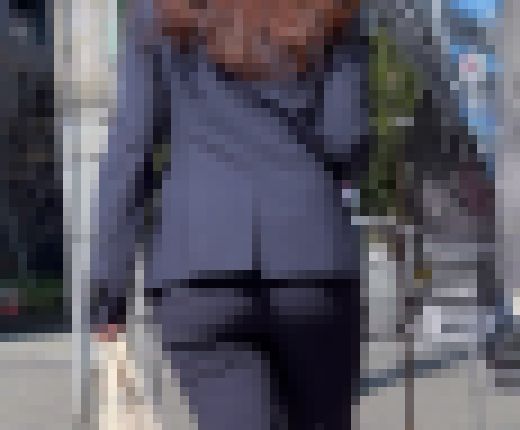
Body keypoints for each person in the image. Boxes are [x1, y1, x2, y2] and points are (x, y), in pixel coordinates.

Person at [91, 1, 494, 428]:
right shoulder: (333, 10)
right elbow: (345, 139)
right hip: (310, 259)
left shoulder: (158, 13)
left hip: (200, 265)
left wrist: (109, 295)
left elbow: (130, 154)